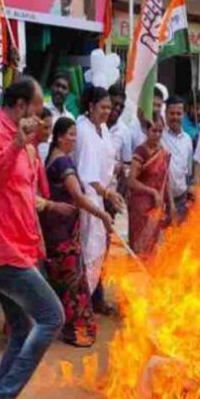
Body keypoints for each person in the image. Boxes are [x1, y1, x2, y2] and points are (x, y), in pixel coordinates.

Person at [0, 76, 68, 399]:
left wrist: (37, 242)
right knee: (52, 316)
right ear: (18, 107)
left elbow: (25, 199)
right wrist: (16, 142)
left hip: (21, 246)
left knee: (24, 329)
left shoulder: (27, 145)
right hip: (0, 250)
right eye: (36, 107)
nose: (42, 116)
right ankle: (3, 396)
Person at [42, 118, 114, 347]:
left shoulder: (53, 158)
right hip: (62, 233)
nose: (74, 139)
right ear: (60, 136)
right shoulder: (62, 163)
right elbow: (79, 197)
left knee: (60, 279)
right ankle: (75, 331)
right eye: (71, 135)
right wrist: (102, 215)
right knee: (74, 282)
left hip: (57, 229)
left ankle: (59, 324)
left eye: (76, 135)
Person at [75, 86, 124, 306]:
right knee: (87, 251)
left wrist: (109, 192)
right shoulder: (83, 129)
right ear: (91, 106)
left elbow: (106, 163)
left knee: (97, 252)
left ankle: (86, 302)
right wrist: (106, 193)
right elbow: (87, 174)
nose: (107, 112)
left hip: (100, 196)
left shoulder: (102, 129)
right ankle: (80, 305)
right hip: (85, 198)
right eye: (102, 107)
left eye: (109, 107)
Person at [128, 118, 172, 256]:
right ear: (147, 131)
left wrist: (171, 204)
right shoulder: (140, 152)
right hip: (141, 207)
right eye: (154, 131)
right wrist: (152, 191)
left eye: (160, 131)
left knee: (154, 249)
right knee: (140, 248)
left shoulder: (163, 152)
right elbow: (131, 181)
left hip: (157, 205)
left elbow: (166, 179)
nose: (157, 135)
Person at [161, 96, 194, 223]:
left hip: (181, 199)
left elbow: (188, 171)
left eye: (178, 113)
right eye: (172, 113)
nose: (175, 117)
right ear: (166, 114)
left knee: (179, 238)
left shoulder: (187, 140)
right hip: (162, 199)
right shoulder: (159, 136)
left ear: (184, 114)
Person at [107, 84, 133, 198]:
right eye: (115, 103)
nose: (117, 108)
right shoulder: (94, 124)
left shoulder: (124, 131)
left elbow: (127, 167)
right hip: (90, 190)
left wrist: (120, 194)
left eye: (121, 106)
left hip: (111, 191)